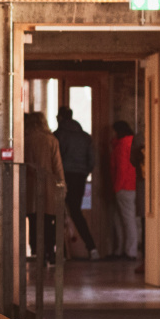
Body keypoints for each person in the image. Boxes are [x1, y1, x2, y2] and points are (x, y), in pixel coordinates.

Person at [54, 107, 99, 259]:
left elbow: (55, 159)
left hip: (63, 177)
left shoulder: (58, 135)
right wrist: (84, 173)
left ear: (59, 117)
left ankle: (60, 252)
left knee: (58, 212)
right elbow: (92, 160)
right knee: (76, 213)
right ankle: (92, 248)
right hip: (79, 177)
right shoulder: (85, 137)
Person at [24, 112, 65, 265]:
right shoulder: (51, 140)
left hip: (30, 186)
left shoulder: (25, 139)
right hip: (48, 185)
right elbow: (57, 166)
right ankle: (50, 252)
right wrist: (62, 185)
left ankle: (36, 252)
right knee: (48, 221)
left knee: (33, 220)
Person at [110, 120, 138, 260]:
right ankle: (123, 250)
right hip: (131, 185)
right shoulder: (132, 143)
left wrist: (117, 187)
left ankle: (129, 251)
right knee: (122, 219)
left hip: (123, 187)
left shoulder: (121, 146)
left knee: (126, 220)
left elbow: (121, 168)